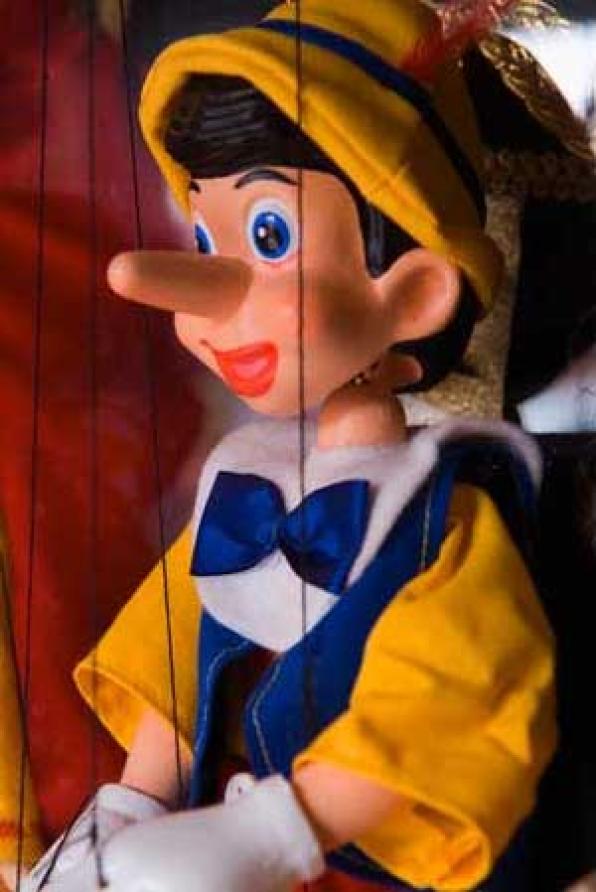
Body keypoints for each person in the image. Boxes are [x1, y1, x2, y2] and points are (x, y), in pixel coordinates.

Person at [25, 1, 556, 890]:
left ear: (415, 293)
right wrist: (123, 813)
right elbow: (172, 663)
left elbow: (451, 707)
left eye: (269, 235)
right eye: (205, 236)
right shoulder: (245, 482)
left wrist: (272, 834)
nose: (193, 289)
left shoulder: (439, 522)